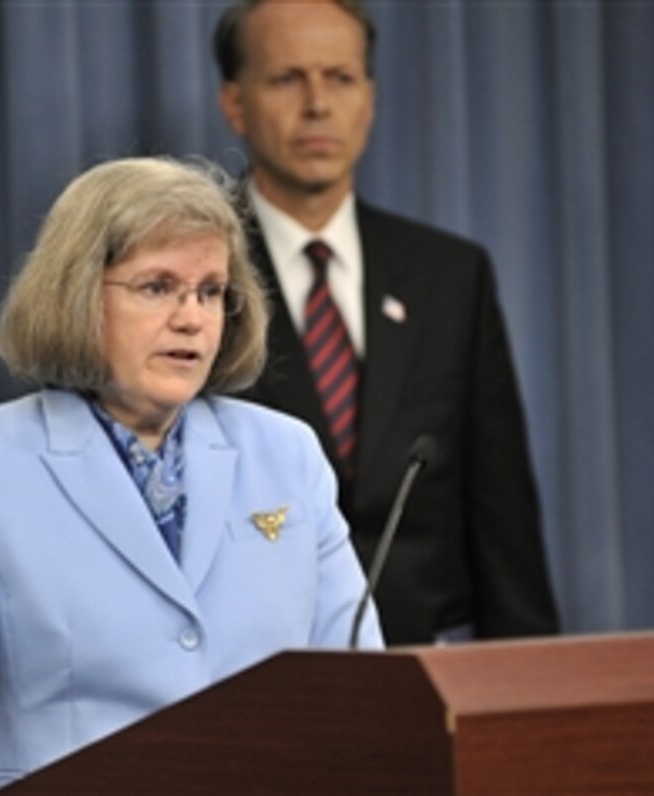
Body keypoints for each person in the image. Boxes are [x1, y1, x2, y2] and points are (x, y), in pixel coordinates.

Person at [0, 156, 383, 794]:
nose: (192, 317)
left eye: (211, 291)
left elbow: (361, 681)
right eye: (157, 287)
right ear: (80, 294)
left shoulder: (286, 453)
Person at [213, 0, 559, 644]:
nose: (318, 104)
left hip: (424, 669)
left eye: (340, 78)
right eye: (287, 79)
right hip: (253, 678)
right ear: (235, 104)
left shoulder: (452, 276)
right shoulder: (194, 277)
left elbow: (501, 516)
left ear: (369, 98)